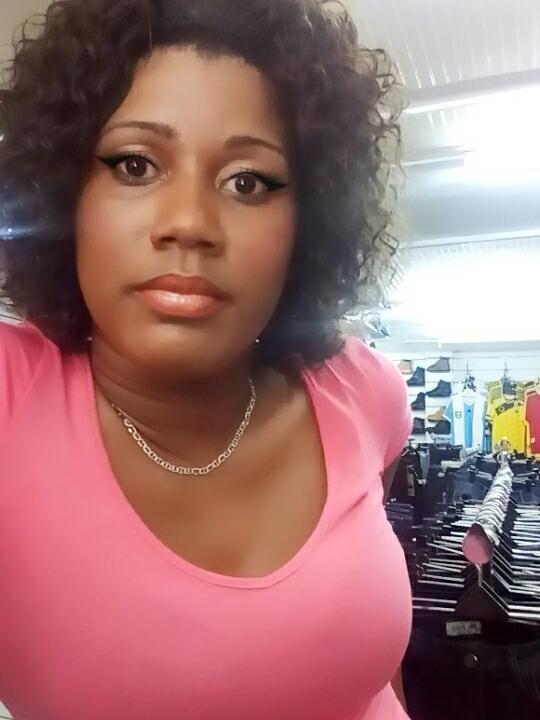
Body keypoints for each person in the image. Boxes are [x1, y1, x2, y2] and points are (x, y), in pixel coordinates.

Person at [0, 1, 411, 718]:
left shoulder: (363, 389)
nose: (189, 223)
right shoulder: (12, 397)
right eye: (135, 165)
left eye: (247, 181)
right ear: (64, 195)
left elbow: (371, 667)